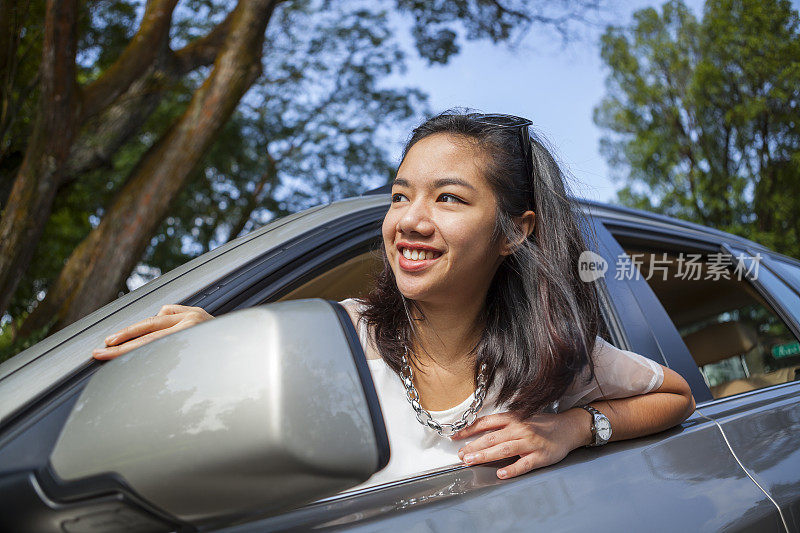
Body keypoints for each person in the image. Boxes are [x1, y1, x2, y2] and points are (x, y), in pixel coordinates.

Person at [93, 110, 695, 488]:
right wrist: (212, 334)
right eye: (401, 194)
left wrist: (570, 428)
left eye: (449, 199)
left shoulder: (554, 356)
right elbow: (259, 363)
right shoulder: (340, 337)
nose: (410, 220)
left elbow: (678, 395)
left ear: (516, 230)